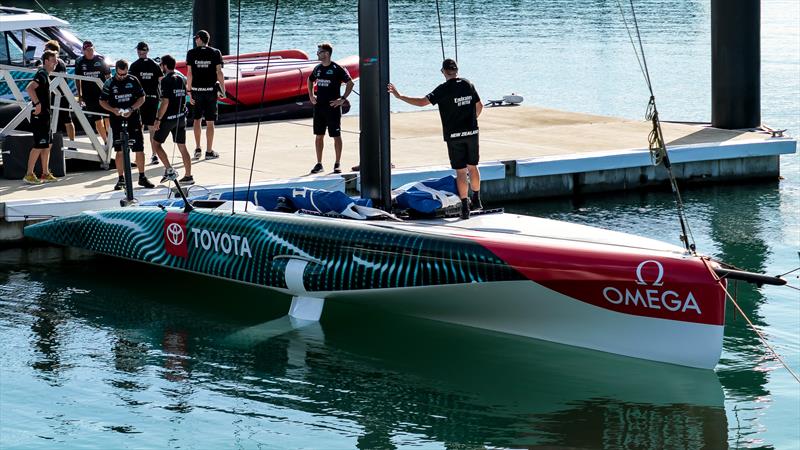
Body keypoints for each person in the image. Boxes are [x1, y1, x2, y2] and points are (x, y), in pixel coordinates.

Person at [388, 59, 483, 219]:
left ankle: (465, 207)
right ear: (457, 70)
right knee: (472, 166)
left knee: (461, 171)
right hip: (472, 133)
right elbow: (479, 106)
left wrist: (400, 96)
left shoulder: (443, 89)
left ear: (443, 72)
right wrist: (472, 122)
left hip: (454, 136)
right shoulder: (468, 84)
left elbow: (422, 102)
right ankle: (477, 200)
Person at [99, 59, 155, 190]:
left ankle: (142, 176)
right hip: (117, 119)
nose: (122, 77)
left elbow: (142, 98)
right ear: (116, 71)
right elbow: (102, 101)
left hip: (133, 117)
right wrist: (113, 110)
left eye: (124, 74)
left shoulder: (133, 80)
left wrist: (132, 108)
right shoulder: (109, 83)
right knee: (119, 150)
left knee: (139, 148)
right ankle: (121, 179)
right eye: (120, 74)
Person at [307, 42, 354, 174]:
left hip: (332, 108)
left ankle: (337, 163)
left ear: (326, 54)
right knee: (319, 136)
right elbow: (310, 80)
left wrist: (342, 99)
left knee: (336, 135)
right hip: (319, 107)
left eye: (319, 52)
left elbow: (350, 83)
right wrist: (311, 95)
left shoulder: (337, 68)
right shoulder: (317, 69)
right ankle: (319, 163)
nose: (317, 54)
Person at [151, 55, 194, 186]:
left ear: (164, 66)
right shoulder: (182, 78)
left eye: (161, 65)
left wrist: (158, 118)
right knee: (182, 146)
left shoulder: (166, 80)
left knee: (156, 143)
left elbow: (165, 102)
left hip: (168, 118)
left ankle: (169, 170)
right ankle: (188, 175)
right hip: (181, 117)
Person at [23, 50, 60, 185]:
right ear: (46, 61)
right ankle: (29, 174)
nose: (56, 62)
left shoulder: (46, 75)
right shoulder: (42, 74)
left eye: (56, 60)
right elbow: (30, 88)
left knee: (47, 145)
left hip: (46, 116)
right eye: (53, 60)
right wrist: (37, 104)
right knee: (39, 145)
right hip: (40, 116)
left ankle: (45, 173)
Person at [186, 29, 223, 160]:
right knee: (210, 122)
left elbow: (189, 74)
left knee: (197, 120)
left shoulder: (191, 53)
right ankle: (209, 151)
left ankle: (197, 148)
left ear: (201, 39)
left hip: (196, 90)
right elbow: (219, 72)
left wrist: (189, 91)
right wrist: (223, 90)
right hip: (210, 91)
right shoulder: (215, 52)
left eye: (196, 38)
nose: (195, 40)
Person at [129, 41, 164, 166]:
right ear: (147, 51)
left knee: (138, 128)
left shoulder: (134, 66)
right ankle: (154, 155)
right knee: (152, 128)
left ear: (138, 51)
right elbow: (161, 81)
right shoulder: (155, 65)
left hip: (139, 100)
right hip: (153, 99)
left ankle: (138, 155)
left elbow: (130, 84)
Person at [74, 40, 111, 143]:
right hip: (89, 95)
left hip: (102, 94)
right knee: (97, 120)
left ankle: (112, 139)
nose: (90, 52)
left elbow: (108, 76)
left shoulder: (100, 59)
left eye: (91, 49)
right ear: (83, 51)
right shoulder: (80, 62)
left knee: (107, 118)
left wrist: (110, 91)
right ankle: (106, 141)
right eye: (87, 50)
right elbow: (77, 79)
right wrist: (80, 95)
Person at [44, 40, 75, 146]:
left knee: (66, 119)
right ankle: (70, 144)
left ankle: (71, 144)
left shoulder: (57, 63)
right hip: (58, 94)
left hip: (59, 95)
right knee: (66, 119)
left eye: (46, 50)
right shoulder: (60, 62)